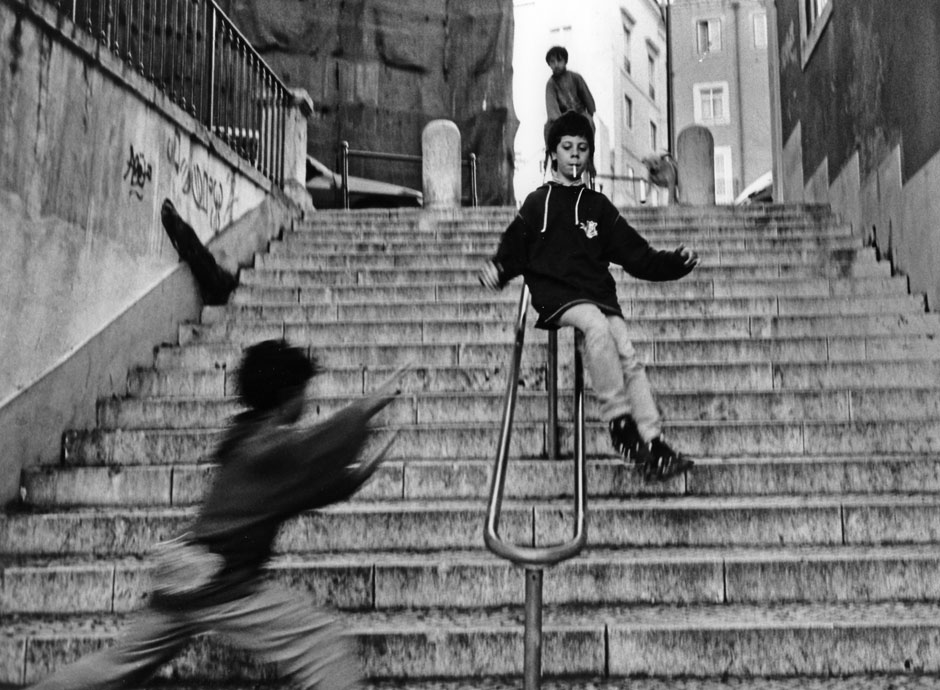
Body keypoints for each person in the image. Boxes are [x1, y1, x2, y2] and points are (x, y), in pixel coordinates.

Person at [29, 339, 406, 690]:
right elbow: (315, 448)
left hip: (180, 578)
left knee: (118, 664)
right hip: (224, 582)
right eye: (304, 392)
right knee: (321, 639)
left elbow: (301, 489)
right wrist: (370, 405)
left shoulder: (245, 436)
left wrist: (362, 469)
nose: (308, 401)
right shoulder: (267, 446)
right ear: (289, 395)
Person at [479, 111, 699, 481]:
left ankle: (655, 443)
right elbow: (514, 248)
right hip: (558, 294)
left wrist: (676, 263)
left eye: (582, 148)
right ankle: (618, 423)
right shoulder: (539, 202)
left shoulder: (599, 207)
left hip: (596, 292)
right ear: (553, 154)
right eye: (567, 148)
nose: (575, 156)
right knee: (596, 327)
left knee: (627, 354)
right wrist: (498, 271)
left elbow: (638, 256)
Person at [544, 46, 596, 147]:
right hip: (562, 117)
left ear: (565, 61)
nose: (556, 65)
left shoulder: (576, 77)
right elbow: (552, 107)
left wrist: (590, 112)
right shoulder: (551, 84)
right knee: (548, 128)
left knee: (589, 122)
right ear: (549, 64)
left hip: (579, 114)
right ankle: (551, 156)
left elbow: (587, 98)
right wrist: (561, 121)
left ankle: (589, 152)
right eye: (552, 62)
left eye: (559, 60)